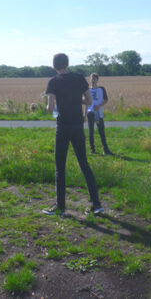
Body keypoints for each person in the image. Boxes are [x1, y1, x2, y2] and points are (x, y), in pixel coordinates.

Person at [43, 53, 104, 217]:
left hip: (62, 127)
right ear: (68, 63)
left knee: (60, 167)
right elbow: (89, 102)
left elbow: (50, 108)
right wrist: (76, 101)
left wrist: (54, 105)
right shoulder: (78, 78)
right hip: (78, 126)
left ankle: (61, 207)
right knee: (84, 163)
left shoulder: (53, 82)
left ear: (54, 66)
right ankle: (96, 204)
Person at [86, 73, 112, 155]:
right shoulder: (87, 90)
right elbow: (86, 103)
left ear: (97, 80)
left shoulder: (101, 89)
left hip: (98, 113)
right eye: (91, 79)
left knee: (101, 131)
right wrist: (84, 114)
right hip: (90, 113)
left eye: (94, 79)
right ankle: (92, 150)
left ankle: (106, 149)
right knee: (91, 132)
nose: (92, 80)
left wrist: (99, 106)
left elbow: (106, 100)